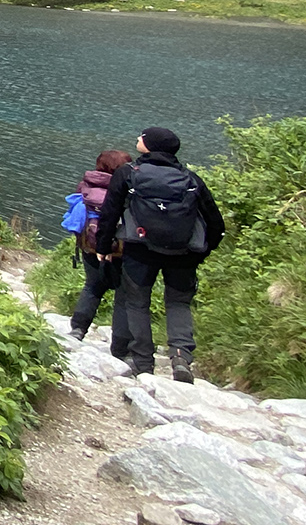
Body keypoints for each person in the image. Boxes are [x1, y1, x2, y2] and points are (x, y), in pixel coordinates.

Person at [92, 126, 225, 382]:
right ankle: (180, 356)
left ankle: (142, 361)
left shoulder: (128, 174)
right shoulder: (190, 179)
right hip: (183, 253)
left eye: (142, 137)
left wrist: (103, 246)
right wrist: (202, 252)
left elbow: (109, 214)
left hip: (140, 250)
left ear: (150, 146)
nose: (138, 139)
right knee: (178, 302)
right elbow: (216, 225)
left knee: (137, 302)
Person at [70, 148, 131, 352]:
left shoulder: (86, 186)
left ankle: (78, 329)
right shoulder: (130, 189)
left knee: (92, 287)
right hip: (121, 249)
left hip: (90, 245)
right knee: (123, 295)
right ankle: (120, 347)